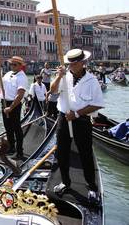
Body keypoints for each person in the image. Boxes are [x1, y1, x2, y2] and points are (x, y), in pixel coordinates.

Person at [50, 49, 103, 203]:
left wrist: (77, 114)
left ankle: (92, 187)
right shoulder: (63, 77)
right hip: (63, 118)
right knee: (62, 152)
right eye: (70, 63)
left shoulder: (92, 80)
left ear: (82, 63)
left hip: (82, 120)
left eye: (74, 63)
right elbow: (52, 91)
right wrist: (59, 77)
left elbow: (97, 104)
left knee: (85, 153)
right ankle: (65, 182)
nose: (71, 66)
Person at [0, 56, 28, 159]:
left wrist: (11, 108)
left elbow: (20, 95)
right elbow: (0, 84)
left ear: (21, 66)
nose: (12, 66)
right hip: (4, 102)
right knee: (8, 127)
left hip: (14, 105)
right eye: (11, 64)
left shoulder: (22, 77)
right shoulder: (8, 74)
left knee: (16, 128)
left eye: (14, 64)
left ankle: (20, 152)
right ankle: (11, 147)